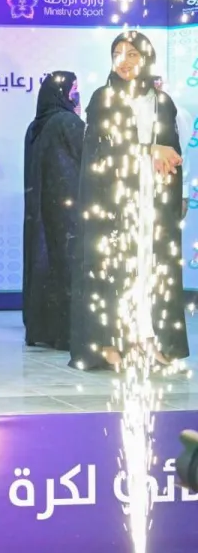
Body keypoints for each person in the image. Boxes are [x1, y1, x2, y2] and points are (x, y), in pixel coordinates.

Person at [70, 31, 189, 371]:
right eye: (118, 53)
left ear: (146, 58)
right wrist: (149, 150)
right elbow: (103, 151)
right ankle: (106, 343)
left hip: (153, 198)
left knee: (151, 267)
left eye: (133, 54)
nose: (124, 61)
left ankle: (148, 338)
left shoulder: (162, 101)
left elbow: (171, 149)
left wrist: (171, 173)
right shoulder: (103, 98)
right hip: (112, 201)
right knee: (112, 268)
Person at [22, 71, 83, 351]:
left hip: (42, 212)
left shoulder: (35, 126)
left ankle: (43, 329)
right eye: (73, 91)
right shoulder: (68, 122)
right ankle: (67, 331)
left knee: (44, 263)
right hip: (70, 211)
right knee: (68, 265)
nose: (76, 97)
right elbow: (90, 158)